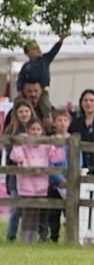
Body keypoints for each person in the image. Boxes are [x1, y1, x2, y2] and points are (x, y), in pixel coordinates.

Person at [9, 117, 64, 243]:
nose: (35, 131)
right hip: (26, 185)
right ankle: (25, 239)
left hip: (41, 185)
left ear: (42, 131)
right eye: (32, 129)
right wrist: (18, 143)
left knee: (36, 212)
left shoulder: (46, 146)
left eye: (38, 129)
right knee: (28, 212)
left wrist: (59, 146)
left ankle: (32, 238)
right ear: (27, 131)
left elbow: (57, 158)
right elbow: (16, 157)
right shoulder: (24, 145)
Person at [4, 98, 36, 241]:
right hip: (16, 175)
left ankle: (30, 237)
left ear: (31, 112)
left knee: (31, 208)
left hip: (33, 175)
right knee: (17, 206)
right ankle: (11, 235)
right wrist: (20, 142)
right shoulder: (11, 131)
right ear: (16, 114)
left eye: (26, 111)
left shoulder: (36, 128)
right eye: (21, 111)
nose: (24, 114)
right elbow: (10, 152)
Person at [40, 108, 72, 242]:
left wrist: (71, 177)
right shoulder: (51, 140)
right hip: (54, 182)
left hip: (69, 181)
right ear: (54, 122)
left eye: (65, 120)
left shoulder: (73, 140)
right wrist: (58, 179)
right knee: (54, 212)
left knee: (70, 210)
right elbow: (49, 161)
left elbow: (78, 159)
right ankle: (54, 237)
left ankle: (71, 237)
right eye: (59, 120)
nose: (62, 123)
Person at [17, 34, 67, 118]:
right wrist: (19, 90)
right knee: (19, 104)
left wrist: (60, 41)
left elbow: (53, 51)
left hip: (43, 89)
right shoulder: (26, 66)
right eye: (34, 49)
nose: (38, 50)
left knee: (46, 106)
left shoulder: (45, 59)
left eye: (38, 48)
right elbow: (20, 78)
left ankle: (48, 119)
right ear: (27, 53)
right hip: (28, 92)